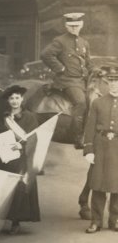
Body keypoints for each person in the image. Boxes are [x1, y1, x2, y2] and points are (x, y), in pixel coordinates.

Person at [0, 85, 41, 235]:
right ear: (8, 100)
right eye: (11, 98)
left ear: (22, 99)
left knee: (19, 188)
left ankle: (16, 221)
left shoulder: (30, 117)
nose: (14, 101)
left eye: (17, 98)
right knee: (5, 188)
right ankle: (4, 217)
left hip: (22, 158)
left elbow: (33, 137)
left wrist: (22, 146)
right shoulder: (2, 117)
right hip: (6, 158)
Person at [42, 12, 93, 148]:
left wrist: (95, 72)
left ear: (81, 25)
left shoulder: (84, 42)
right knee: (81, 103)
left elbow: (88, 62)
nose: (74, 28)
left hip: (82, 80)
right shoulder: (60, 41)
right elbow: (46, 55)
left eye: (76, 25)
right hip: (67, 81)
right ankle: (78, 137)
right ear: (66, 26)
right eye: (71, 26)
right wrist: (61, 69)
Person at [81, 66, 118, 233]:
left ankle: (115, 220)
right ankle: (96, 221)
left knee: (117, 185)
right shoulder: (98, 102)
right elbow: (90, 127)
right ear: (106, 83)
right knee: (97, 184)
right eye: (111, 81)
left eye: (117, 81)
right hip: (100, 146)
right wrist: (88, 149)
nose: (114, 85)